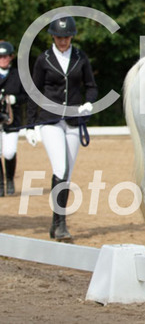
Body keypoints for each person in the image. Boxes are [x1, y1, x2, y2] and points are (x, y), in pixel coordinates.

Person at [25, 15, 98, 241]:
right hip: (50, 121)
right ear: (53, 37)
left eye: (66, 37)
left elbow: (91, 86)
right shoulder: (43, 59)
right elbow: (34, 92)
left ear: (72, 37)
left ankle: (55, 222)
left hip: (74, 121)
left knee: (67, 174)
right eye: (59, 37)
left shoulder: (80, 57)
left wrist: (89, 103)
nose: (63, 41)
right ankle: (61, 225)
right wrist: (30, 125)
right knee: (60, 168)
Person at [0, 41, 27, 197]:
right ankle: (0, 184)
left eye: (6, 56)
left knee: (9, 152)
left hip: (11, 119)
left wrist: (15, 99)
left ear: (11, 57)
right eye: (0, 57)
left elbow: (26, 96)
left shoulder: (18, 75)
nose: (3, 59)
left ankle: (10, 178)